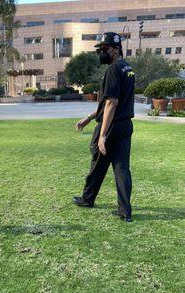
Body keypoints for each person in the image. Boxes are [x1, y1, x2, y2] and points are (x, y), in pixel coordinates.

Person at [74, 32, 135, 222]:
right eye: (100, 49)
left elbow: (112, 103)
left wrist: (102, 135)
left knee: (98, 164)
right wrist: (90, 117)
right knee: (122, 168)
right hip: (125, 125)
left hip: (111, 127)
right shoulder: (127, 67)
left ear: (115, 50)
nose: (101, 53)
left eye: (104, 49)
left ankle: (87, 199)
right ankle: (125, 211)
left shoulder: (113, 69)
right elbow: (106, 103)